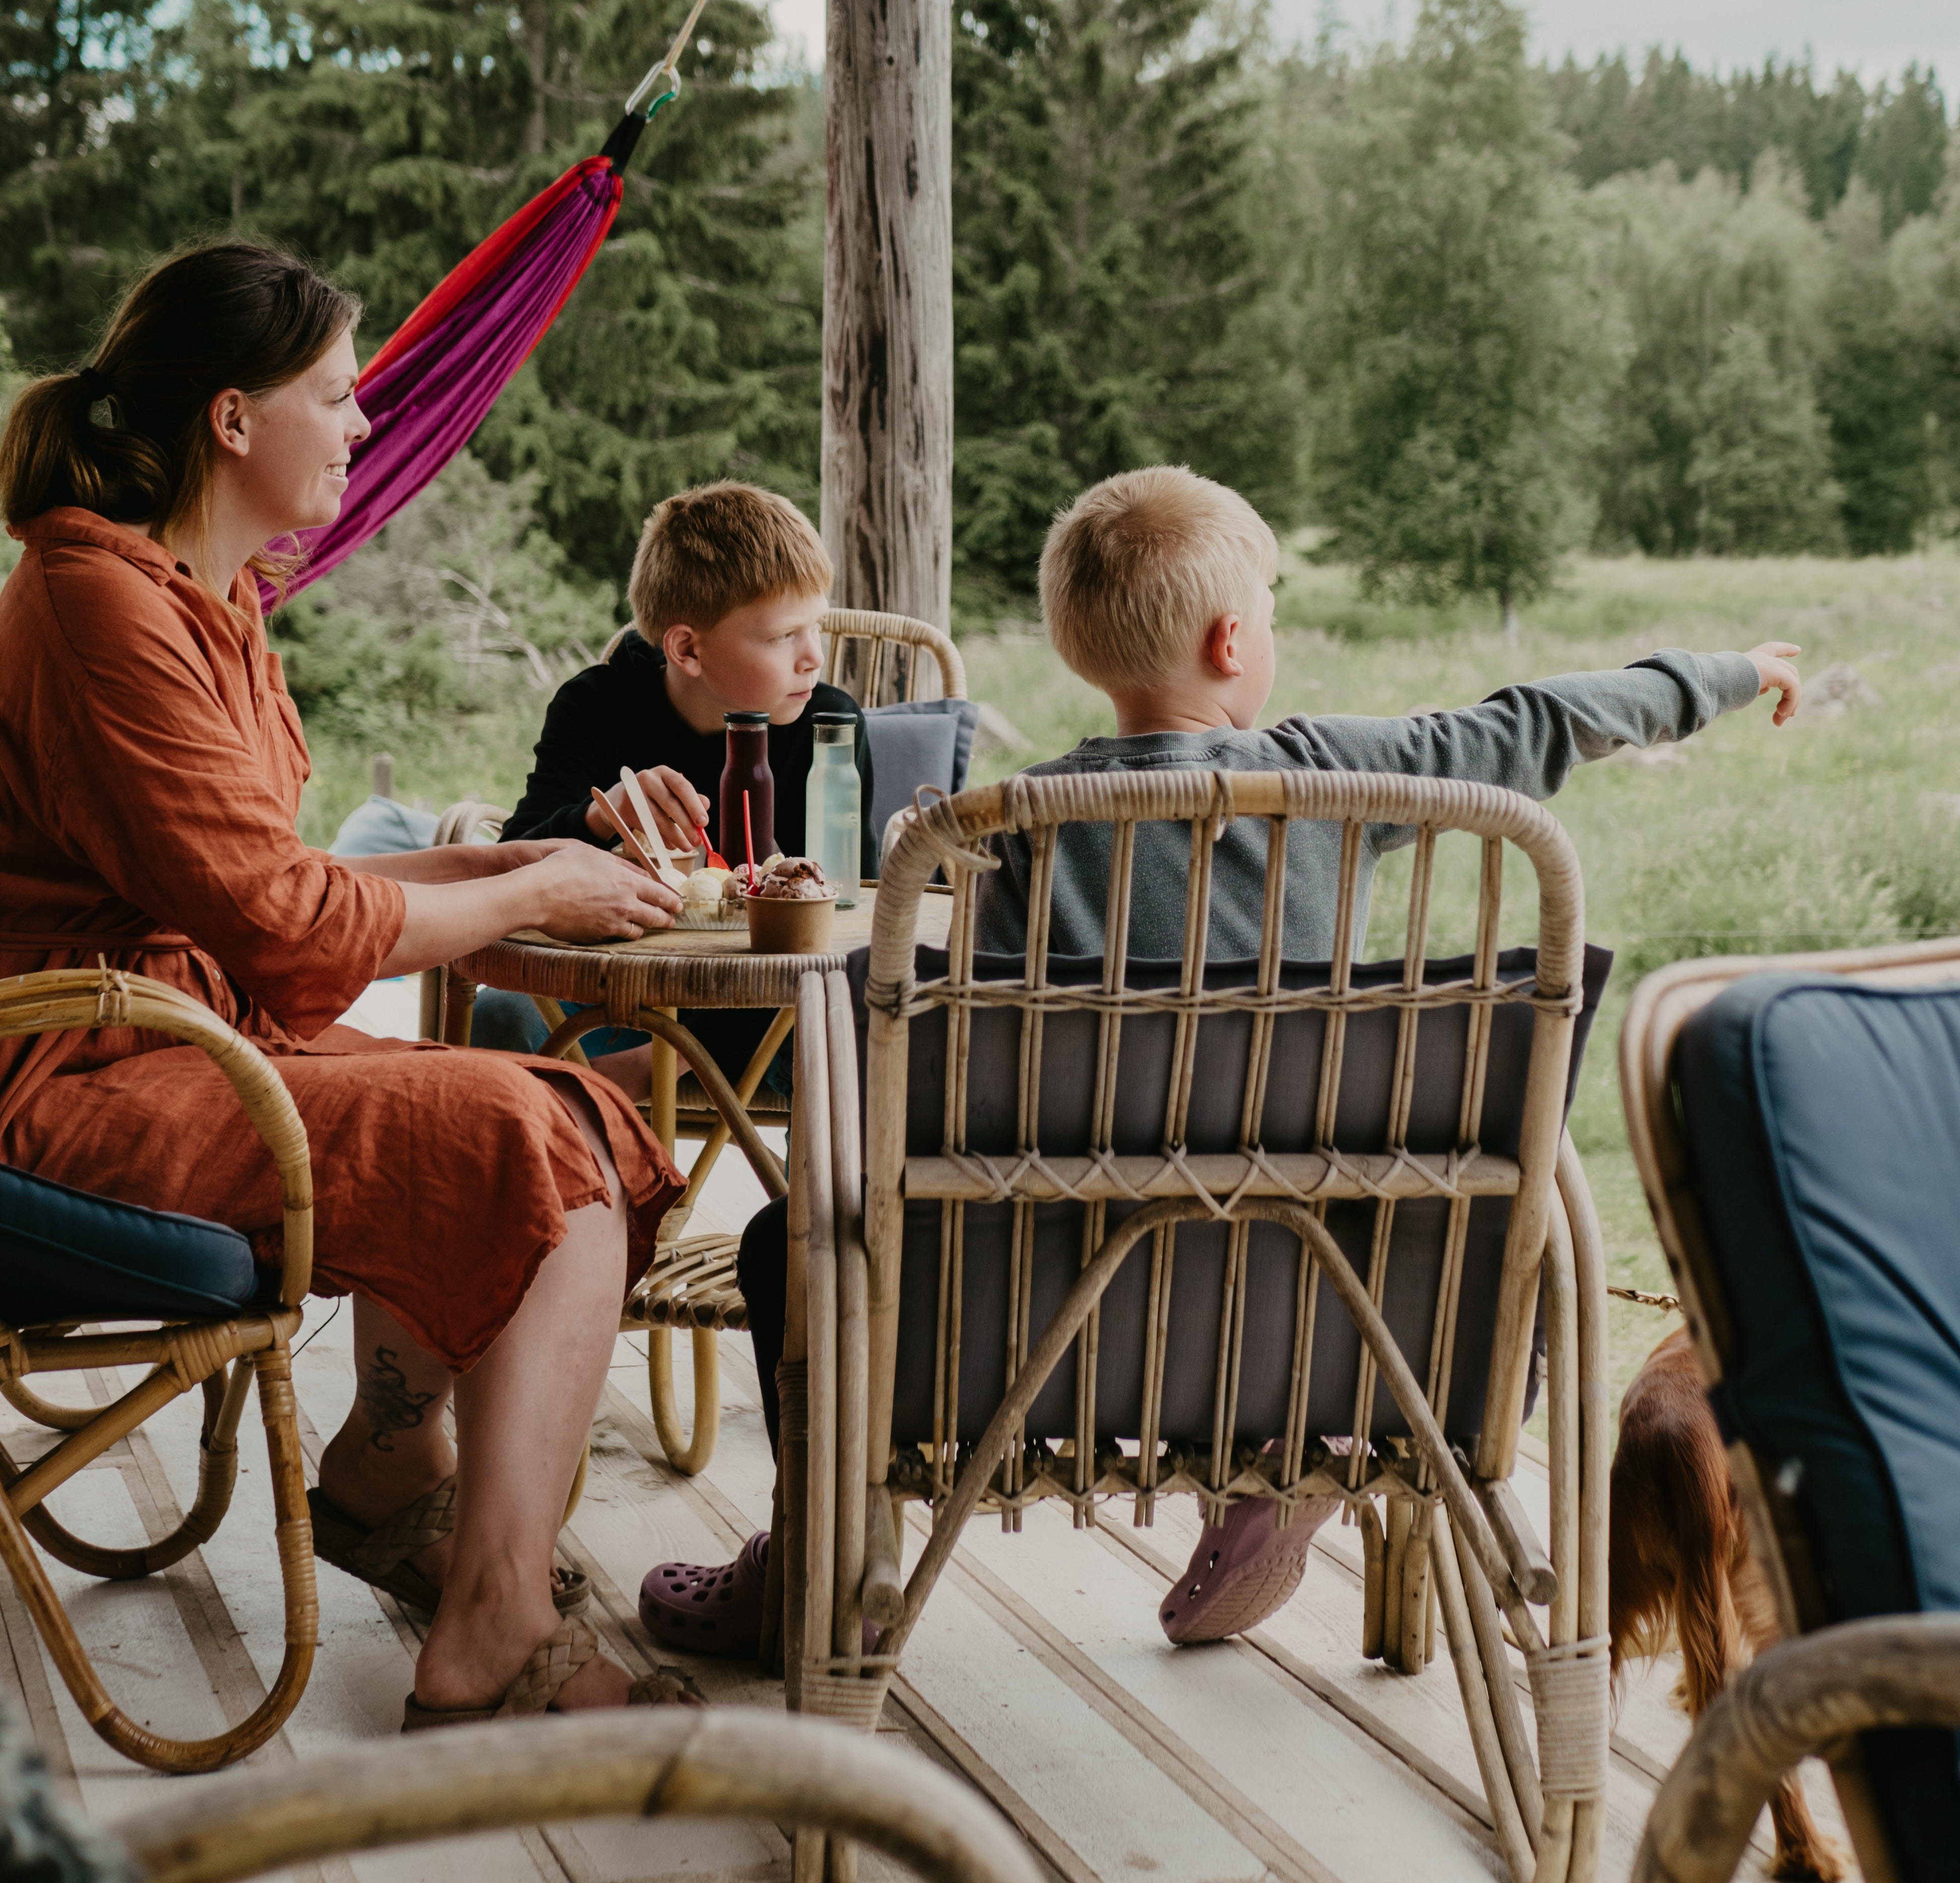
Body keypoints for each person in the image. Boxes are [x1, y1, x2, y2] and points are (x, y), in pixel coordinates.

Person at [642, 463, 1804, 1661]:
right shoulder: (1348, 779)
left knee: (789, 1239)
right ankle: (1287, 1457)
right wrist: (1731, 673)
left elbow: (957, 1088)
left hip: (1050, 1348)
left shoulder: (1004, 826)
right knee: (1362, 1209)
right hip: (1349, 1332)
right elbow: (1540, 718)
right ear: (1232, 637)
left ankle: (804, 1560)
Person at [0, 239, 698, 1726]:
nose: (369, 424)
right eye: (339, 393)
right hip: (70, 1079)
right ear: (234, 419)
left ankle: (398, 1483)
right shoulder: (95, 604)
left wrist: (547, 858)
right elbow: (286, 919)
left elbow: (274, 885)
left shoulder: (207, 602)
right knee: (525, 1134)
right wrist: (531, 888)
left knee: (570, 1107)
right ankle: (485, 1614)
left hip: (196, 1036)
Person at [473, 481, 874, 1099]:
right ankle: (543, 1188)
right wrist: (601, 818)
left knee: (848, 1029)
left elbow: (854, 917)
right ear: (687, 648)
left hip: (773, 1020)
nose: (814, 658)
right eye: (781, 637)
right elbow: (510, 858)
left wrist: (666, 1061)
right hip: (609, 999)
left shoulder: (829, 732)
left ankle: (809, 1201)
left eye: (815, 627)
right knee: (496, 1015)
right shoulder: (597, 706)